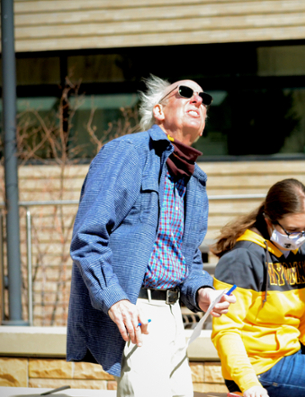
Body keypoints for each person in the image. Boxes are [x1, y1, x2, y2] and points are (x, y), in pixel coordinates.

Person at [66, 75, 236, 397]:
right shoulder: (127, 153)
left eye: (204, 97)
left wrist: (201, 292)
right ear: (159, 110)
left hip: (175, 318)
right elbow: (87, 238)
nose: (198, 100)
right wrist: (114, 298)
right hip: (139, 311)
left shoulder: (194, 181)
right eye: (185, 93)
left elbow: (184, 260)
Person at [211, 179, 305, 397]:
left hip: (292, 354)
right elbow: (226, 331)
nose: (300, 238)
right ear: (269, 221)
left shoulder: (304, 254)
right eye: (292, 230)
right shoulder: (242, 259)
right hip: (258, 368)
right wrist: (249, 384)